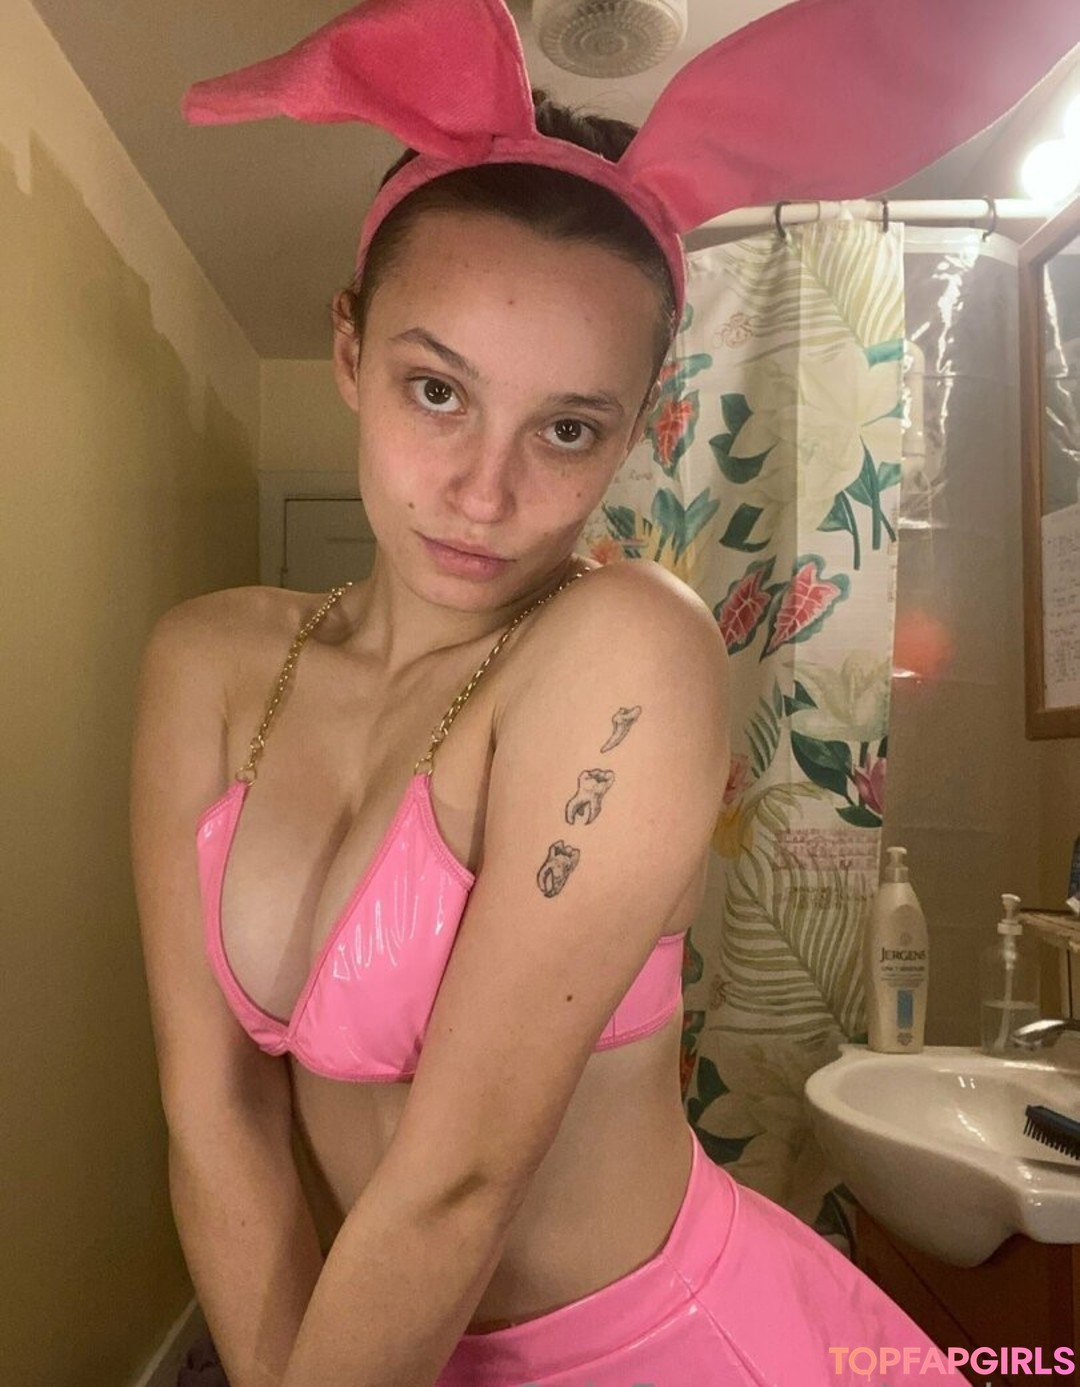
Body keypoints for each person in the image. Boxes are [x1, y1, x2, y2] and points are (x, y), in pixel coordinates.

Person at [133, 2, 1079, 1384]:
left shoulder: (623, 649)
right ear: (348, 352)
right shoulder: (207, 666)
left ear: (639, 426)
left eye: (568, 428)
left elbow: (461, 1184)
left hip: (669, 1350)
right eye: (437, 392)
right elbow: (215, 1115)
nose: (485, 493)